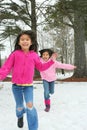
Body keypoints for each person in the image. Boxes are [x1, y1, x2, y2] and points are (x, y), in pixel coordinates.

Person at [0, 30, 57, 130]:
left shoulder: (34, 55)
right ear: (19, 42)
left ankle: (33, 128)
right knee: (19, 106)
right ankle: (20, 116)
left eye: (27, 39)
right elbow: (6, 68)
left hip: (28, 86)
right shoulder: (15, 54)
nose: (25, 41)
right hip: (16, 86)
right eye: (22, 39)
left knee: (30, 106)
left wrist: (51, 61)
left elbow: (41, 67)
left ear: (31, 42)